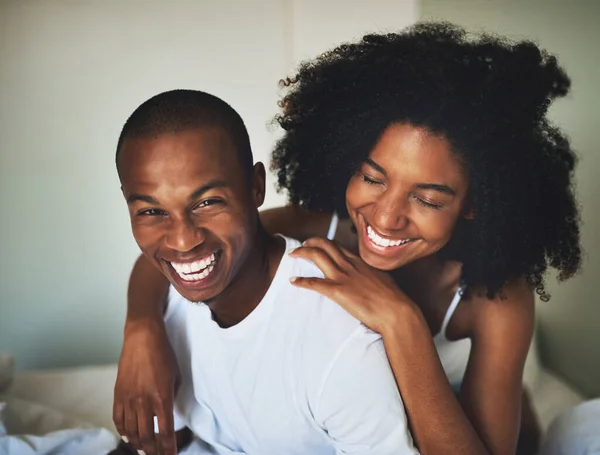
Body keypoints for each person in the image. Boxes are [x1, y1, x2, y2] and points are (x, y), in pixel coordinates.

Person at [113, 23, 582, 455]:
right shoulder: (324, 225)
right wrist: (142, 331)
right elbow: (187, 249)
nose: (386, 216)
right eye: (373, 178)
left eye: (429, 199)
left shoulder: (495, 299)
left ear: (476, 202)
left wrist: (401, 322)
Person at [110, 89, 418, 455]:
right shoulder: (167, 303)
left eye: (208, 202)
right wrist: (142, 326)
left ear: (256, 187)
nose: (181, 241)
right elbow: (165, 441)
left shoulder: (341, 345)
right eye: (151, 212)